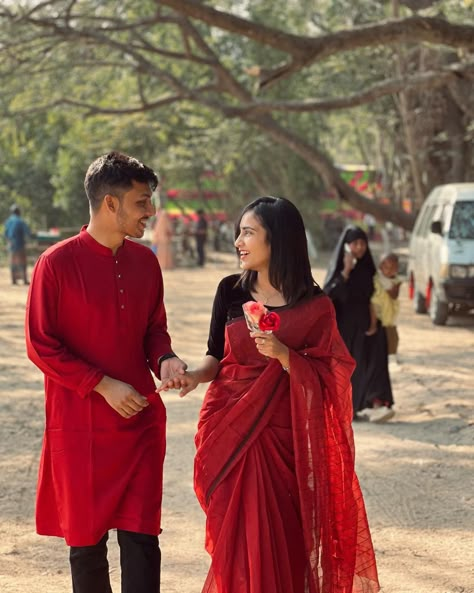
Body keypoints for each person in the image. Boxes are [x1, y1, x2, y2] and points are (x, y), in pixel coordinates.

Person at [160, 197, 380, 593]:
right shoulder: (230, 291)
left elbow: (336, 374)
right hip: (230, 431)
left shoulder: (315, 306)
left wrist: (286, 358)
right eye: (238, 232)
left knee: (285, 540)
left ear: (277, 239)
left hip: (285, 439)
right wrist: (194, 375)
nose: (238, 241)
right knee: (238, 541)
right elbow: (216, 358)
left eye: (248, 232)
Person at [25, 151, 186, 593]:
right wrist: (100, 384)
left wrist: (166, 359)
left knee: (142, 539)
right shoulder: (55, 264)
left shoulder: (146, 263)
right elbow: (41, 345)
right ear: (110, 204)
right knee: (87, 546)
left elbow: (154, 331)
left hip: (139, 424)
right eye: (141, 202)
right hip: (81, 429)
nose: (150, 212)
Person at [323, 226, 382, 420]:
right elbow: (328, 296)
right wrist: (346, 271)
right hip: (342, 326)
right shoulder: (340, 270)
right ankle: (340, 407)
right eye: (355, 243)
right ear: (347, 247)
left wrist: (373, 322)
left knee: (360, 366)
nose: (359, 247)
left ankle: (355, 407)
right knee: (342, 368)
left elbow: (373, 297)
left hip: (363, 325)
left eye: (362, 243)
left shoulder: (368, 269)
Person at [4, 204, 31, 285]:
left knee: (13, 262)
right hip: (20, 244)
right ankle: (24, 280)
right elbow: (27, 232)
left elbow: (5, 234)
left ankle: (14, 280)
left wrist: (9, 242)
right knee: (22, 261)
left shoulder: (8, 221)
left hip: (11, 244)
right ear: (18, 212)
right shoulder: (20, 221)